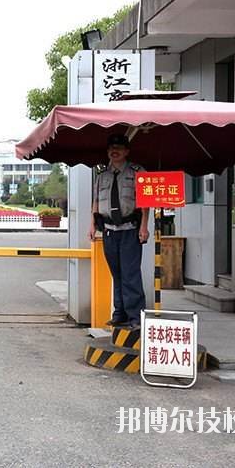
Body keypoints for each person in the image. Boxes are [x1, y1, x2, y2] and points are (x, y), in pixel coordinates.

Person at [89, 134, 150, 330]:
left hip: (130, 230)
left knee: (130, 273)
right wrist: (92, 225)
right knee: (117, 273)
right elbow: (96, 202)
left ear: (127, 151)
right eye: (111, 148)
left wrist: (144, 227)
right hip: (108, 231)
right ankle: (120, 313)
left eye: (119, 148)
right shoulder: (102, 176)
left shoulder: (137, 172)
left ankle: (135, 317)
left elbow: (144, 202)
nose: (114, 151)